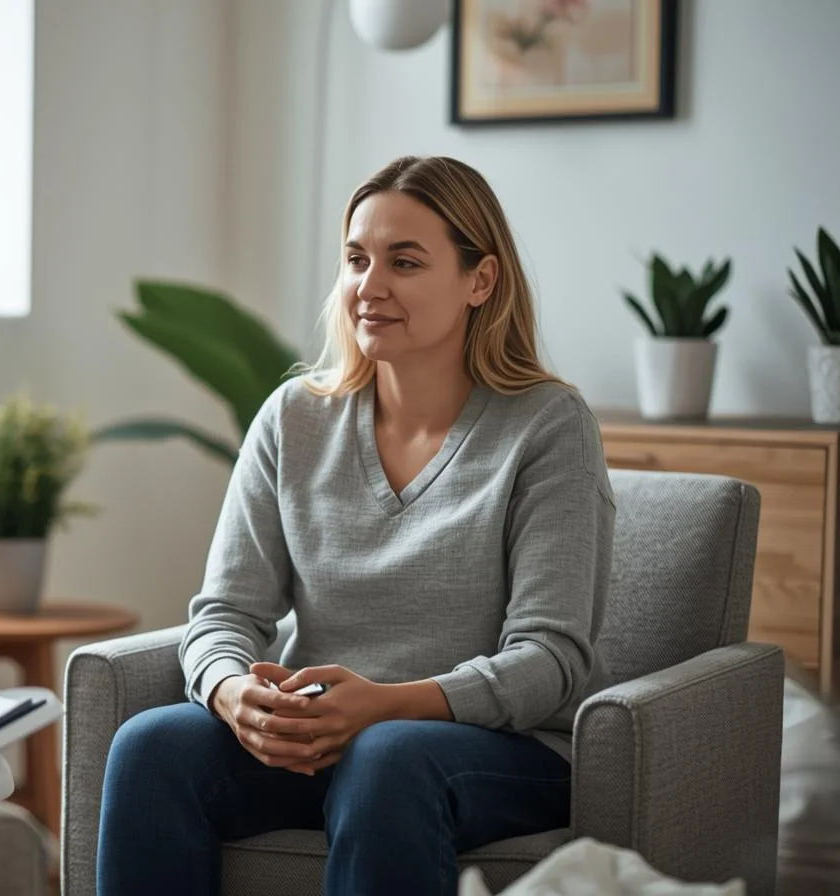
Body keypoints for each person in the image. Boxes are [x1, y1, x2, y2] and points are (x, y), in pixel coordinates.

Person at [95, 155, 616, 895]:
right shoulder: (294, 418)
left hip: (491, 750)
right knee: (151, 747)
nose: (369, 288)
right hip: (323, 739)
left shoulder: (547, 427)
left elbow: (551, 659)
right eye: (356, 260)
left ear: (481, 280)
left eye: (404, 262)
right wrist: (229, 690)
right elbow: (224, 613)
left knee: (388, 759)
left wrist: (384, 704)